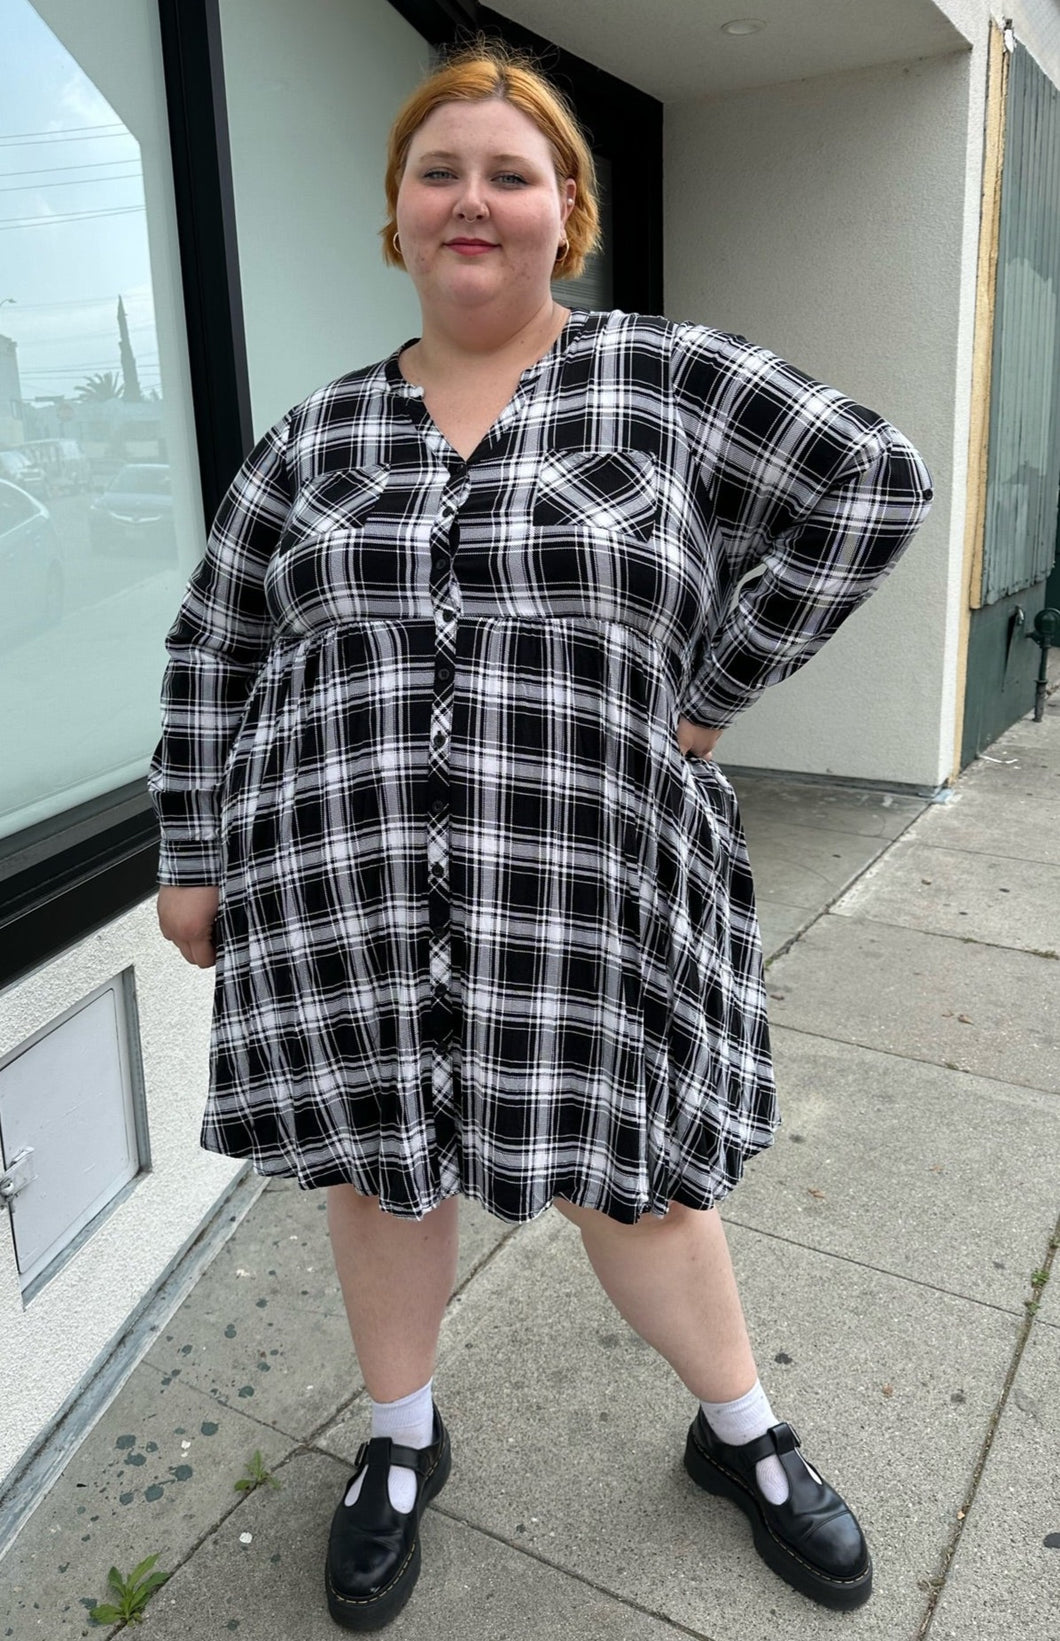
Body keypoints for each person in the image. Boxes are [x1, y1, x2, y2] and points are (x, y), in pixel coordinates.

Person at [150, 41, 932, 1632]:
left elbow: (871, 482)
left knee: (637, 1183)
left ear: (564, 211)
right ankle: (397, 1441)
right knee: (381, 1170)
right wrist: (190, 846)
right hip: (343, 885)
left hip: (593, 888)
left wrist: (710, 691)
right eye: (439, 172)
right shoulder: (313, 442)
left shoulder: (660, 381)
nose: (473, 200)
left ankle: (743, 1437)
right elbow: (216, 643)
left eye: (510, 173)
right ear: (395, 216)